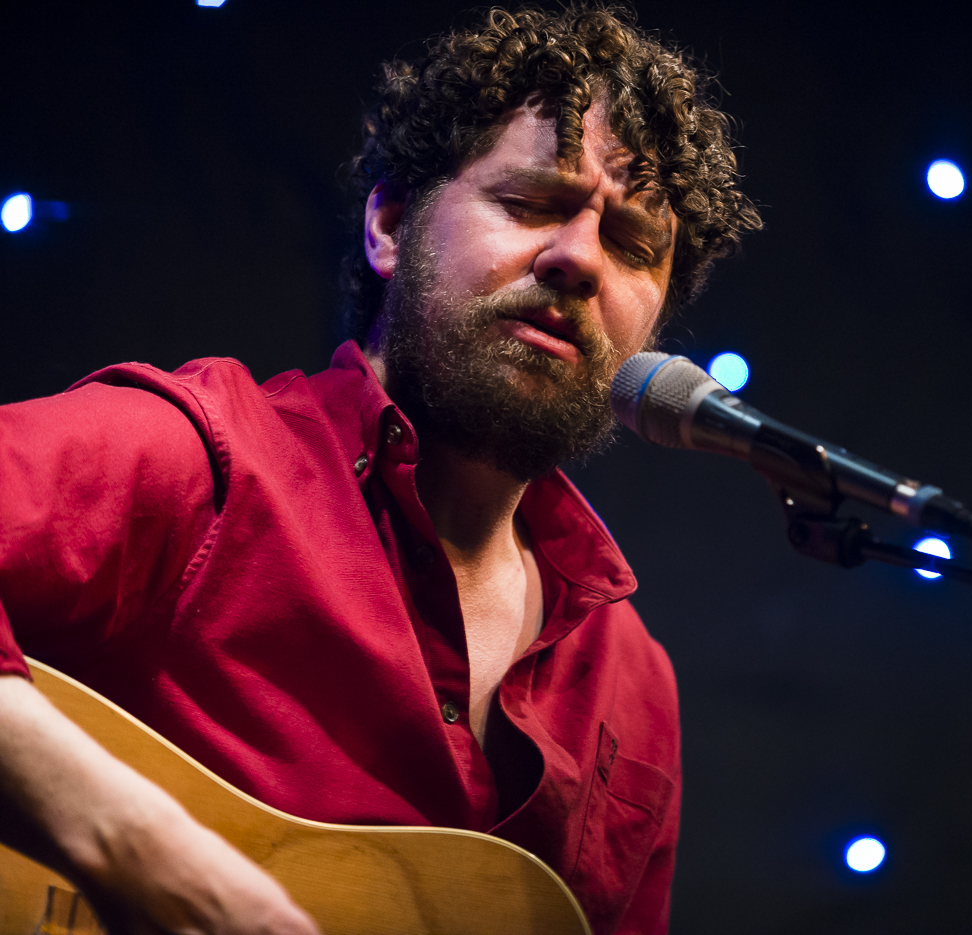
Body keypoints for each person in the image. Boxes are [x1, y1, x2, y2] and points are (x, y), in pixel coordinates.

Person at [0, 6, 761, 933]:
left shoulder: (636, 685)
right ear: (391, 225)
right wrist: (136, 848)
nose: (578, 259)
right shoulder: (198, 461)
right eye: (529, 203)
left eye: (633, 244)